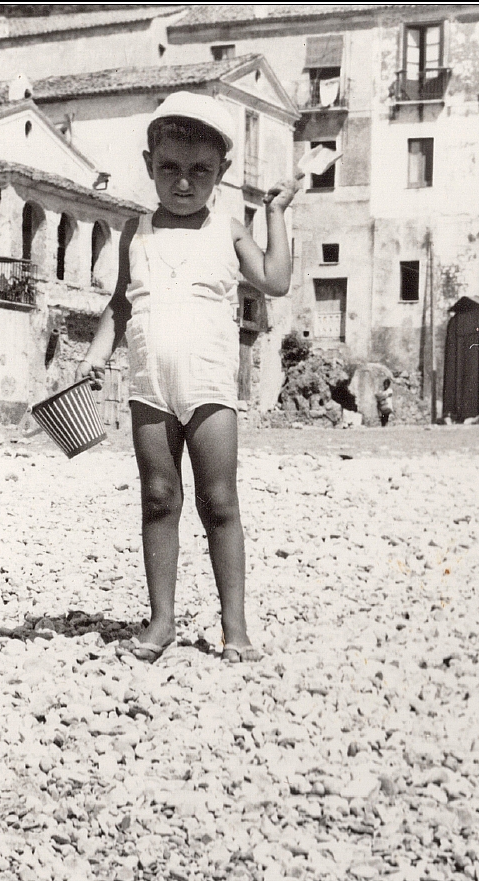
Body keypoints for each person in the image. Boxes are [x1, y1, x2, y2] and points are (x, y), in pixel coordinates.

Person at [76, 91, 301, 664]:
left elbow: (275, 281)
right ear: (149, 163)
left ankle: (235, 627)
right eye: (170, 168)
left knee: (220, 501)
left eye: (199, 170)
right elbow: (121, 306)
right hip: (149, 388)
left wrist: (275, 213)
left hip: (209, 390)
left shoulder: (228, 229)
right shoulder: (137, 232)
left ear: (221, 173)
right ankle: (161, 622)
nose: (183, 182)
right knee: (157, 498)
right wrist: (95, 355)